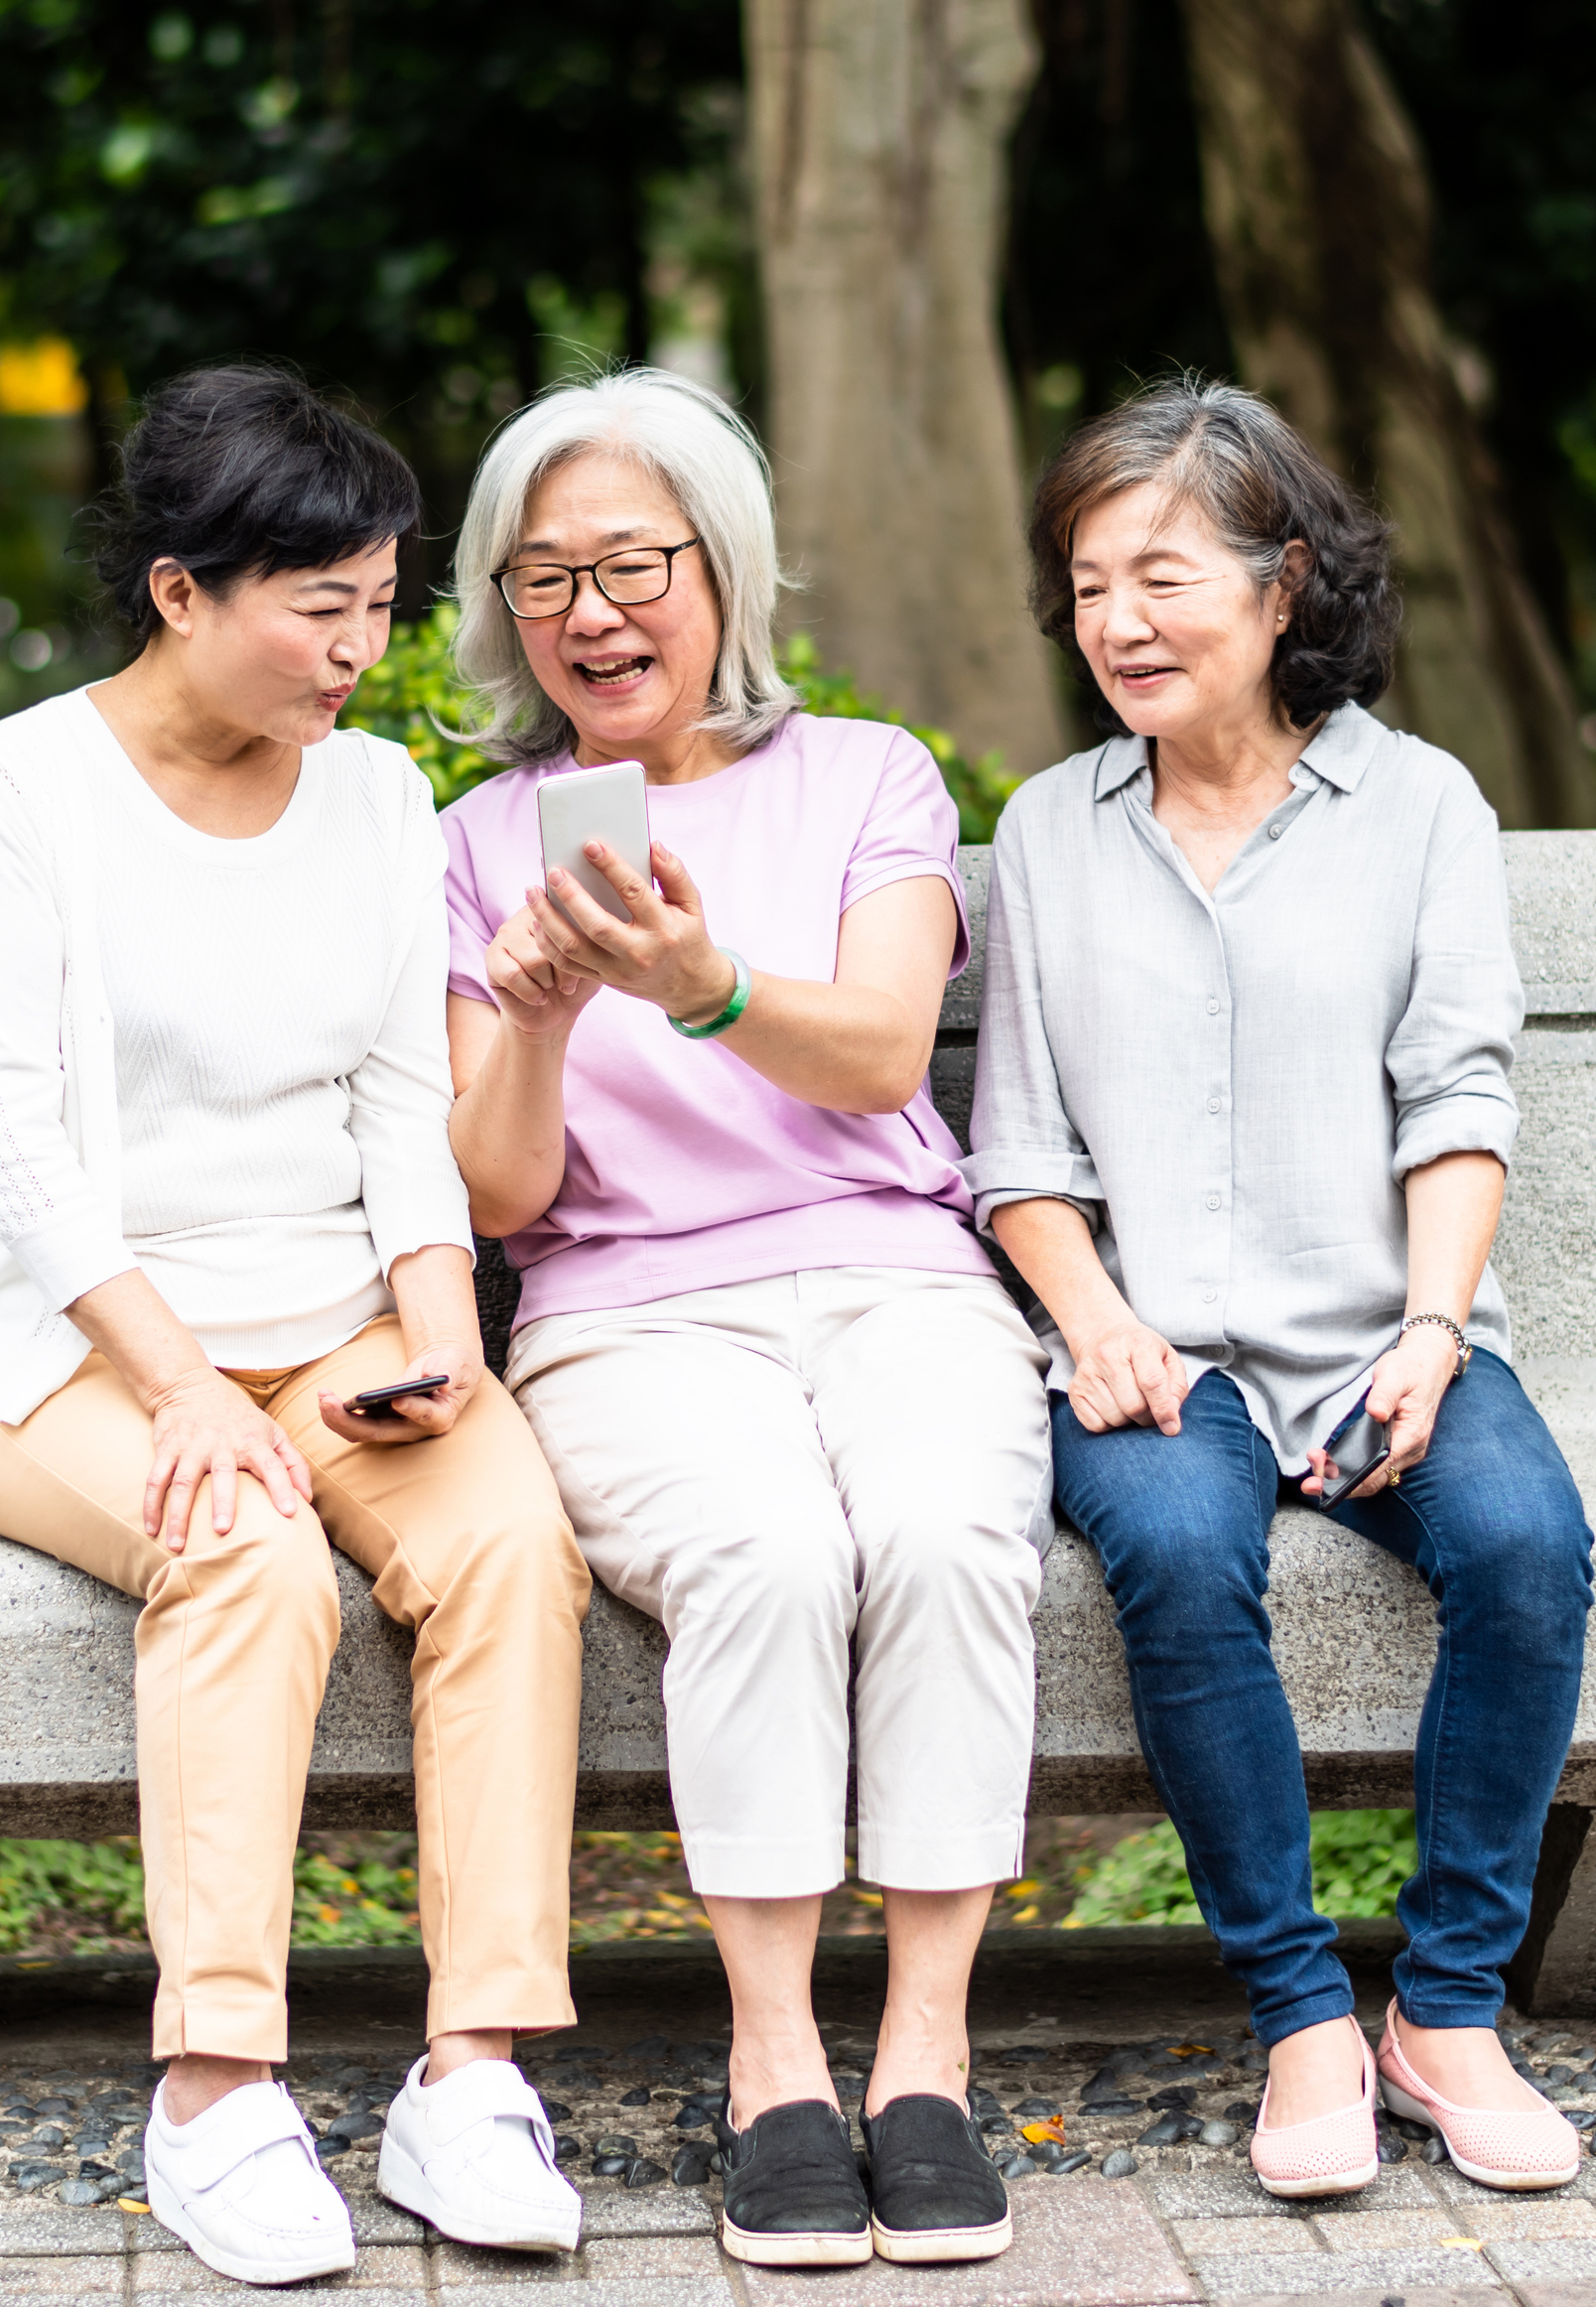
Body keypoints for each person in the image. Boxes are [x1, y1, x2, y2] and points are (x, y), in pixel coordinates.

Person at [0, 364, 595, 2287]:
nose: (359, 652)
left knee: (508, 1545)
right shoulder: (18, 793)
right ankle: (215, 2084)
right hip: (63, 1354)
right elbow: (22, 1149)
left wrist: (443, 1322)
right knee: (246, 1554)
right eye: (321, 608)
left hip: (341, 1318)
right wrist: (187, 1386)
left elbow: (397, 1096)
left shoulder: (377, 794)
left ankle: (473, 2072)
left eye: (380, 604)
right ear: (177, 587)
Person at [434, 369, 1049, 2267]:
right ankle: (776, 2061)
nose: (594, 615)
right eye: (546, 581)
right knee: (770, 1551)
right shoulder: (480, 837)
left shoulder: (872, 776)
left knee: (945, 1536)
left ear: (727, 569)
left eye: (633, 564)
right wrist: (538, 1013)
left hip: (895, 1276)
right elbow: (503, 1199)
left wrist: (703, 982)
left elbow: (877, 1052)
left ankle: (926, 2057)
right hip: (628, 1316)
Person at [967, 378, 1596, 2200]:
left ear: (1282, 583)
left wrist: (1433, 1329)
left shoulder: (1422, 809)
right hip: (1152, 1342)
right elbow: (1020, 1155)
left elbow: (1461, 1097)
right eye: (1088, 587)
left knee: (1526, 1544)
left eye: (1161, 577)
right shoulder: (1050, 830)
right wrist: (1093, 1322)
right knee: (1170, 1550)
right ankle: (1305, 2011)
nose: (1120, 625)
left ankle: (1450, 2007)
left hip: (1382, 1323)